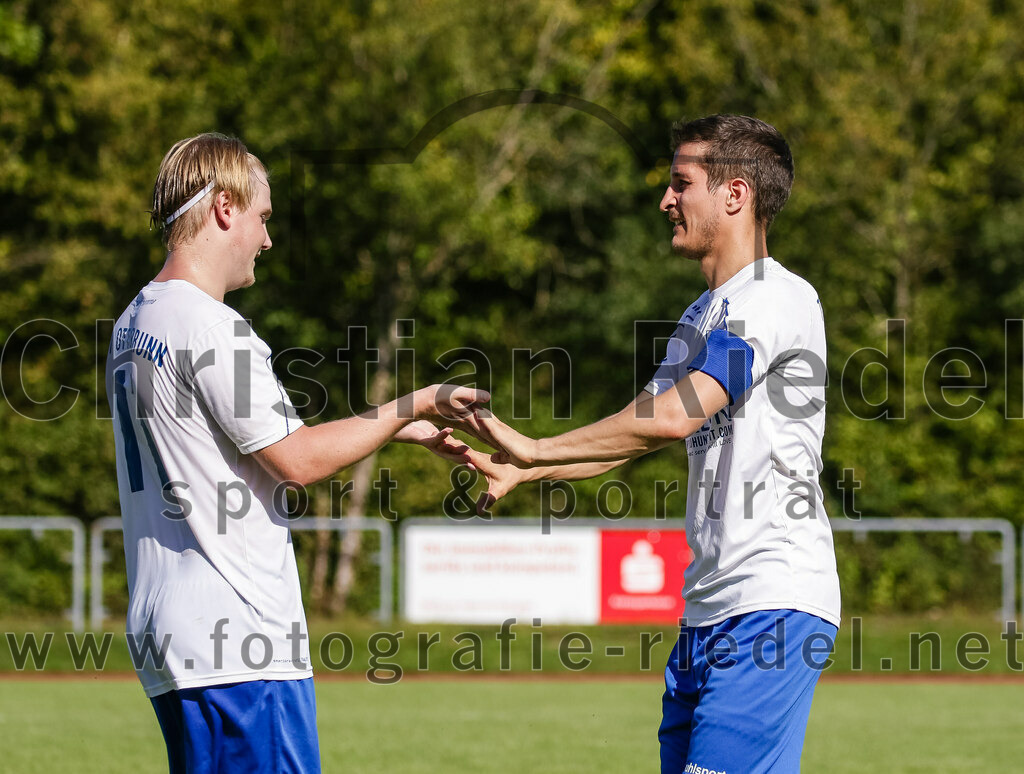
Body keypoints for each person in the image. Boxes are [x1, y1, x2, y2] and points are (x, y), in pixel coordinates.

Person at [462, 115, 841, 773]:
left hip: (772, 603)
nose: (666, 200)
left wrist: (537, 448)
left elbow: (672, 418)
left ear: (735, 194)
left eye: (680, 183)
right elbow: (632, 433)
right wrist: (527, 469)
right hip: (708, 611)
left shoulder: (774, 298)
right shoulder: (700, 316)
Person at [106, 132, 482, 773]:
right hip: (238, 636)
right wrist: (414, 404)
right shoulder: (210, 325)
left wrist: (392, 430)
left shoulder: (135, 320)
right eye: (263, 217)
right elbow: (297, 461)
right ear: (225, 207)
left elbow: (240, 446)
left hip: (173, 631)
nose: (267, 238)